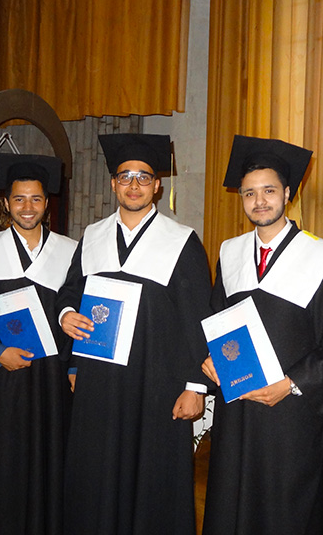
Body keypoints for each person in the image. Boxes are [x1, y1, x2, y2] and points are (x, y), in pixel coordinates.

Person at [200, 135, 323, 534]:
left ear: (287, 193)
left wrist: (290, 385)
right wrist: (211, 359)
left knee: (287, 511)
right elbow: (218, 321)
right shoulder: (230, 252)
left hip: (292, 415)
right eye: (249, 193)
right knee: (232, 501)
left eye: (269, 191)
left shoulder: (322, 256)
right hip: (237, 411)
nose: (259, 201)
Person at [57, 133, 212, 535]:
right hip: (100, 381)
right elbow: (71, 292)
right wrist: (66, 316)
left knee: (152, 475)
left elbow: (198, 317)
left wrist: (195, 386)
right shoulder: (92, 236)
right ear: (113, 184)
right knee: (98, 468)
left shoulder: (181, 242)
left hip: (156, 384)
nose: (134, 185)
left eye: (143, 177)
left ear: (157, 185)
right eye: (125, 177)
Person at [0, 154, 77, 534]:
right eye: (19, 199)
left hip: (52, 381)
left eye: (36, 199)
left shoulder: (70, 252)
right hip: (3, 381)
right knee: (3, 463)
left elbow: (79, 313)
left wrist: (75, 368)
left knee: (51, 461)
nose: (28, 208)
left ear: (47, 203)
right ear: (5, 204)